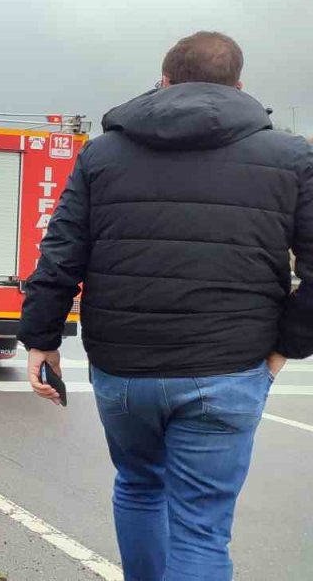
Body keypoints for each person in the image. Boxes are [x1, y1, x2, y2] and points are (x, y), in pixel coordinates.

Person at [20, 31, 313, 580]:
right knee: (201, 527)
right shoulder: (291, 155)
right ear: (241, 86)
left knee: (137, 485)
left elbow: (61, 252)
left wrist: (42, 339)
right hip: (231, 364)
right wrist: (285, 348)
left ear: (163, 83)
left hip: (125, 366)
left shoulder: (104, 153)